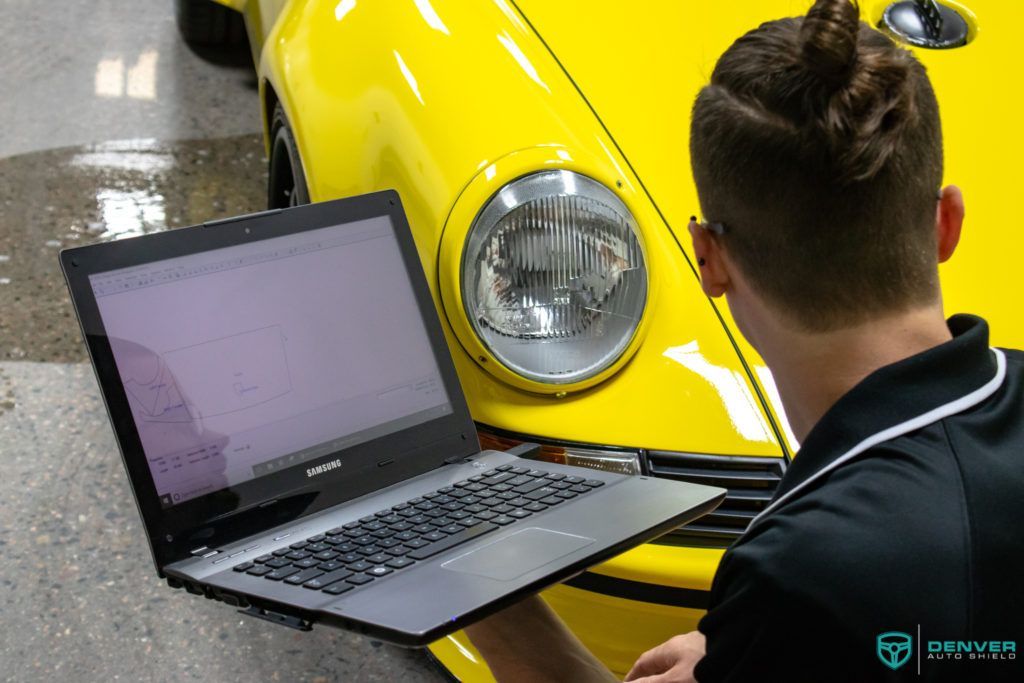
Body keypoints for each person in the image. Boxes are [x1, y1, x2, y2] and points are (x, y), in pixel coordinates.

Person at [464, 0, 1024, 680]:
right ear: (946, 225)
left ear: (710, 260)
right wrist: (741, 651)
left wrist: (479, 585)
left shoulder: (804, 572)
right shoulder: (813, 582)